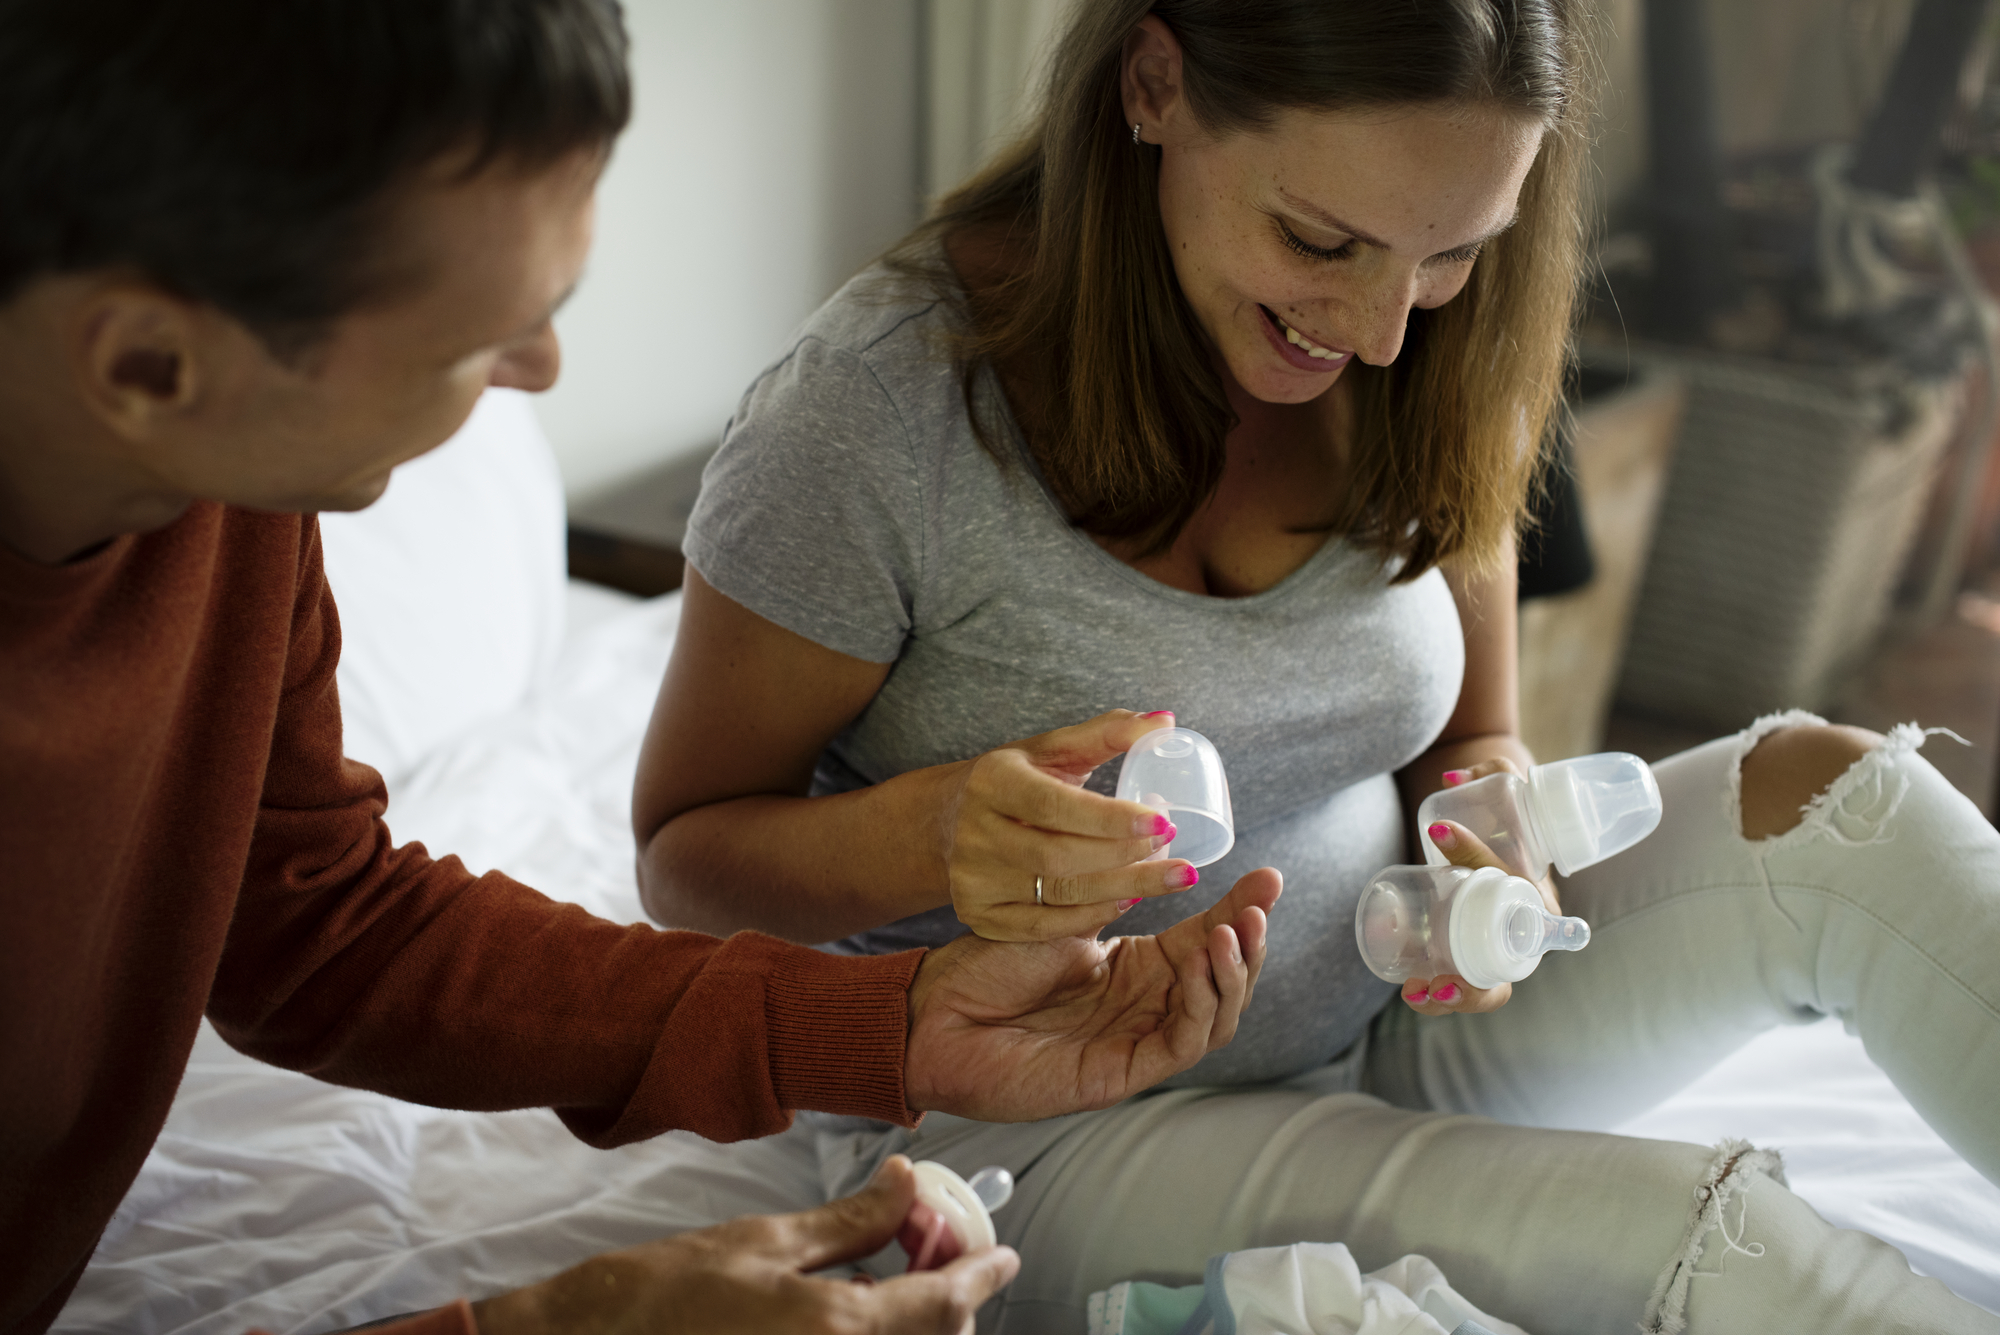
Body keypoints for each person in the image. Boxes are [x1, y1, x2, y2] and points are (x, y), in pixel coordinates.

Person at [632, 1, 2000, 1331]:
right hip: (1047, 1124)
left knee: (1836, 806)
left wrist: (1491, 828)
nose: (1385, 329)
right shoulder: (872, 418)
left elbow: (1475, 736)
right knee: (1722, 1246)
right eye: (1321, 239)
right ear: (1154, 85)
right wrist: (937, 840)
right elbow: (685, 864)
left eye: (1455, 253)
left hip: (1404, 1001)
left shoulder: (1436, 337)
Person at [0, 3, 1286, 1333]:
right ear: (149, 361)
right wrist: (547, 1324)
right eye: (476, 343)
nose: (542, 370)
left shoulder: (221, 495)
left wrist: (886, 1024)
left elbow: (311, 920)